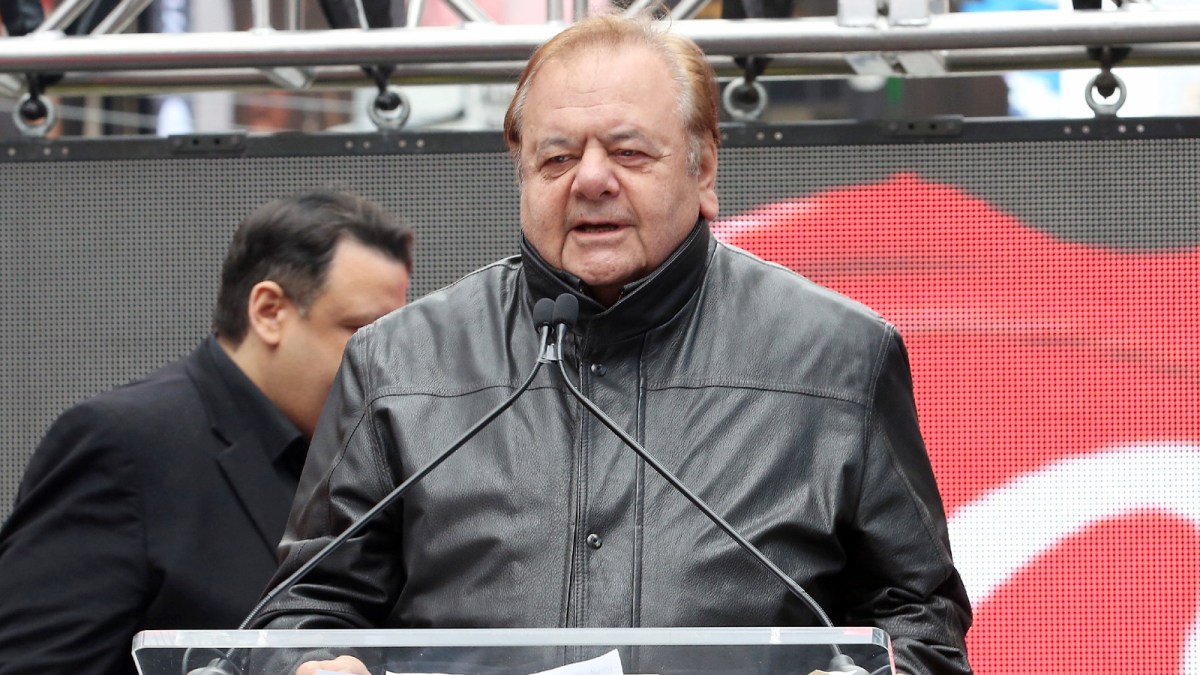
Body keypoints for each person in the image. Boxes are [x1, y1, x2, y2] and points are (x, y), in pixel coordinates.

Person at [251, 14, 972, 675]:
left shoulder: (839, 356)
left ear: (704, 168)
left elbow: (920, 622)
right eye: (558, 159)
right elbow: (302, 610)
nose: (592, 180)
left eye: (629, 152)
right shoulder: (397, 363)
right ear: (521, 172)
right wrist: (306, 661)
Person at [0, 189, 414, 675]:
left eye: (395, 338)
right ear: (268, 311)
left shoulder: (362, 462)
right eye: (363, 332)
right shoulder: (124, 443)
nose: (385, 364)